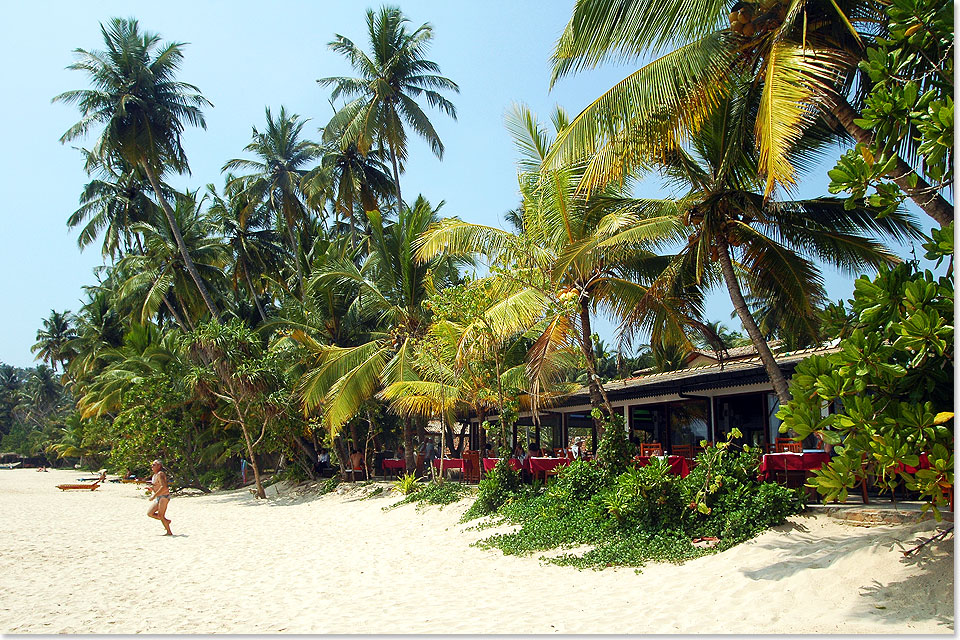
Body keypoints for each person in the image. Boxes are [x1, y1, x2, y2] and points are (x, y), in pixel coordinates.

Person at [146, 460, 172, 536]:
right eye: (152, 465)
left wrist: (153, 496)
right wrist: (151, 489)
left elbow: (163, 487)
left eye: (154, 465)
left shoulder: (160, 474)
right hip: (158, 497)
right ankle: (166, 522)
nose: (152, 466)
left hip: (164, 497)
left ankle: (169, 531)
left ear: (159, 466)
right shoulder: (155, 475)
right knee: (150, 513)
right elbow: (157, 486)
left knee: (161, 515)